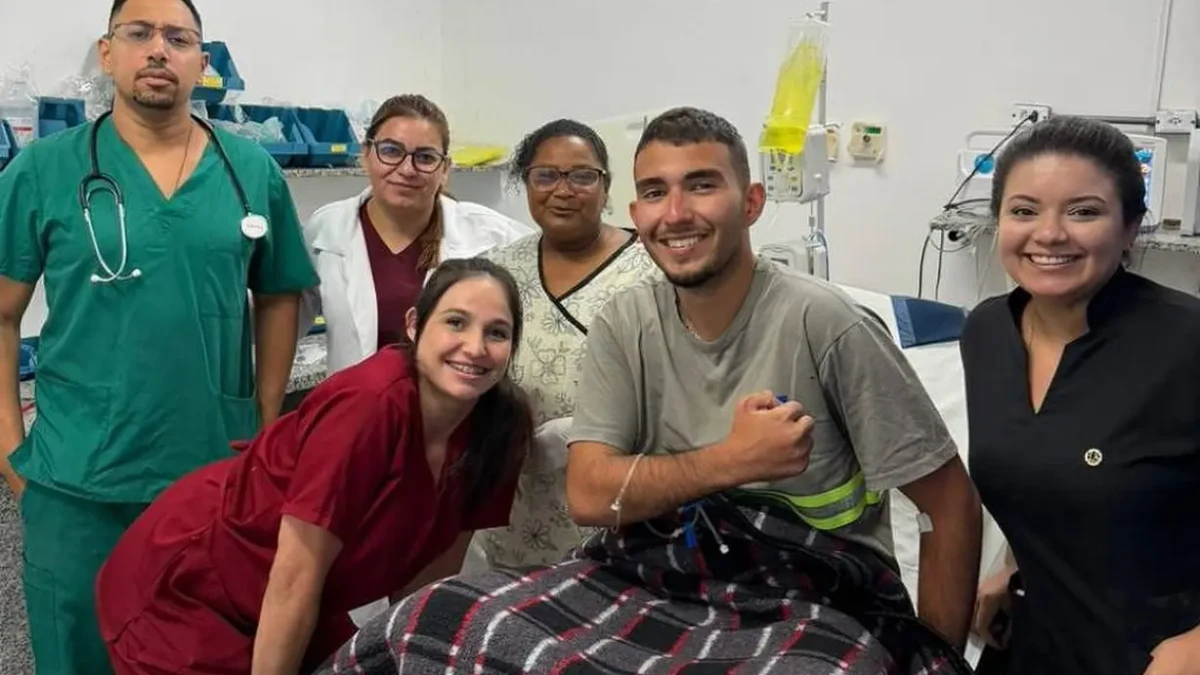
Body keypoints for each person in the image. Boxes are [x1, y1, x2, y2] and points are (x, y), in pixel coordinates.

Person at [318, 107, 981, 675]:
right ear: (636, 212)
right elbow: (589, 494)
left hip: (809, 588)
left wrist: (938, 656)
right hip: (657, 565)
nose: (677, 212)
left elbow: (949, 505)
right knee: (431, 620)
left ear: (751, 202)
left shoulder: (826, 324)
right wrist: (733, 460)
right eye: (656, 192)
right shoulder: (627, 321)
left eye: (702, 185)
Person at [0, 0, 317, 671]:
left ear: (202, 62)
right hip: (76, 481)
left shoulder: (250, 170)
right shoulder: (42, 170)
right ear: (107, 52)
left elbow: (279, 293)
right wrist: (8, 450)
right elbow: (1, 313)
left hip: (211, 474)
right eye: (138, 33)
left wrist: (265, 418)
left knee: (194, 655)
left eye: (178, 38)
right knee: (76, 654)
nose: (157, 50)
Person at [94, 258, 532, 675]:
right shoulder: (370, 406)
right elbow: (293, 578)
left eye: (497, 332)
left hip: (305, 595)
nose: (475, 347)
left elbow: (425, 588)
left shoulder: (499, 430)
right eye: (455, 322)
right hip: (195, 586)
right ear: (415, 324)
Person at [962, 116, 1200, 675]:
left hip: (1160, 650)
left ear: (1131, 227)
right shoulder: (987, 332)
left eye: (1084, 212)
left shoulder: (1186, 343)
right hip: (1036, 638)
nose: (1049, 234)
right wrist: (1013, 566)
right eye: (1024, 211)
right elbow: (1041, 470)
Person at [463, 119, 660, 572]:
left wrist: (584, 430)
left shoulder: (653, 268)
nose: (563, 190)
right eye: (545, 175)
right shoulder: (498, 270)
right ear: (526, 183)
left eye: (582, 176)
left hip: (624, 504)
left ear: (606, 186)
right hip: (517, 509)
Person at [300, 94, 531, 373]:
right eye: (391, 151)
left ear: (444, 169)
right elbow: (284, 319)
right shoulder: (326, 229)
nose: (407, 169)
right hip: (355, 398)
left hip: (458, 400)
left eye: (425, 157)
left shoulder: (491, 235)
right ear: (366, 155)